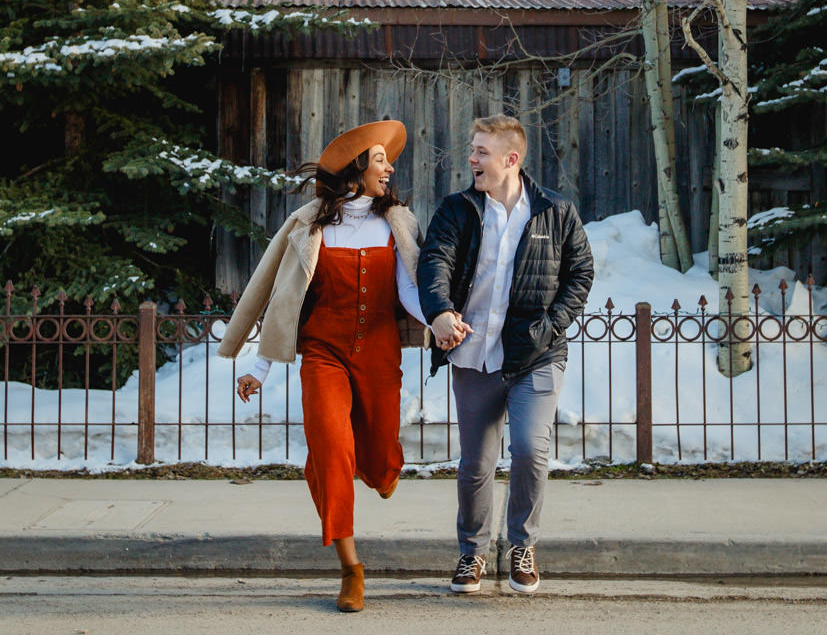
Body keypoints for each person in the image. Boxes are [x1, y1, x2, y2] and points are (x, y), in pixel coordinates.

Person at [219, 119, 440, 613]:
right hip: (323, 352)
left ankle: (379, 470)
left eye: (388, 160)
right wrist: (260, 368)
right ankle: (349, 567)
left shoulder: (398, 221)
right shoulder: (309, 223)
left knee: (381, 457)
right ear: (358, 169)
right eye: (380, 160)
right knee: (332, 449)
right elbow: (282, 300)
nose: (390, 167)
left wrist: (441, 321)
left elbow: (409, 289)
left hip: (380, 351)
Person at [418, 113, 594, 597]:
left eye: (481, 151)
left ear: (510, 159)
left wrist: (551, 325)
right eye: (472, 149)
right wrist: (440, 313)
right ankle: (472, 553)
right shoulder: (457, 210)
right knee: (476, 462)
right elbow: (435, 262)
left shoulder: (556, 212)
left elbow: (581, 274)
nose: (471, 158)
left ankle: (522, 545)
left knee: (530, 451)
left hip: (536, 355)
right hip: (472, 355)